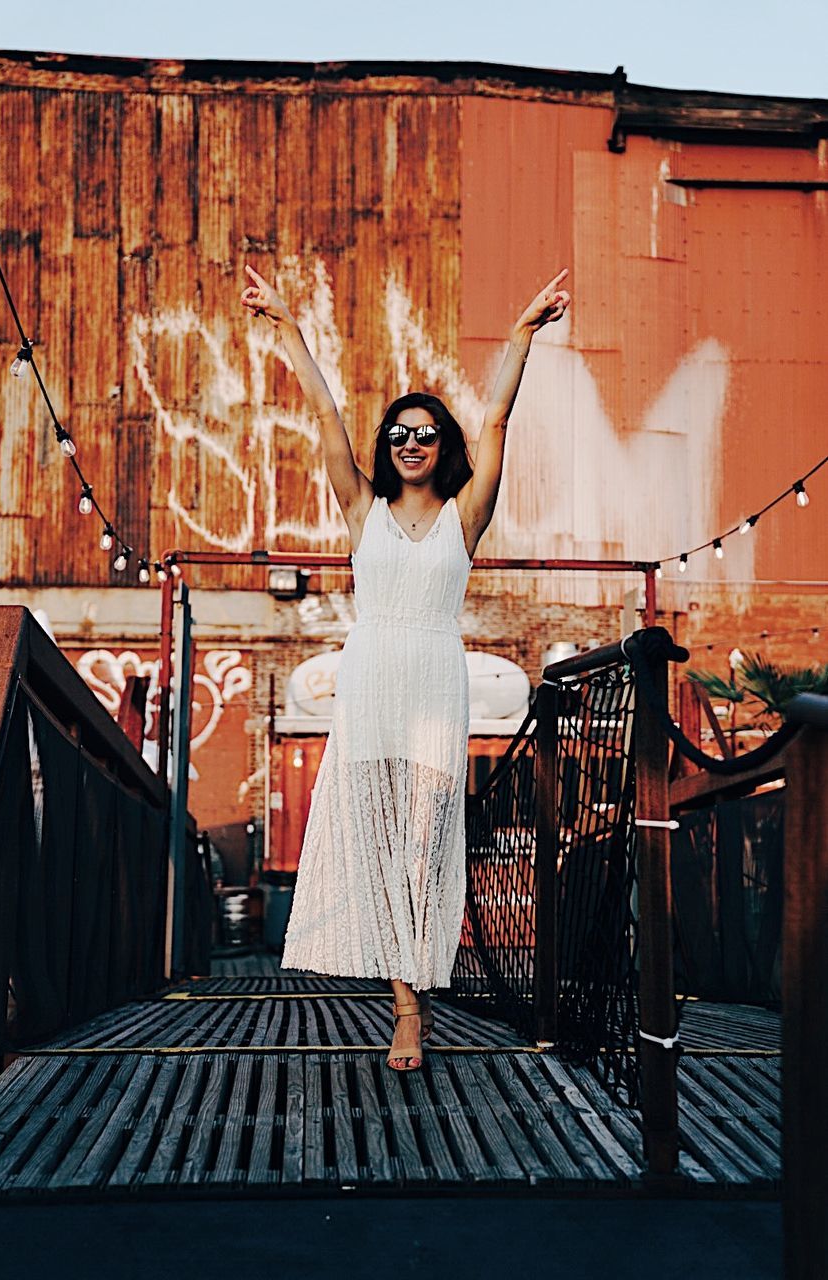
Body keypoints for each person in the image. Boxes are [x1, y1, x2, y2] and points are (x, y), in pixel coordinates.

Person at [240, 263, 570, 1070]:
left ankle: (418, 985)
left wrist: (520, 336)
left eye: (425, 433)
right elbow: (323, 413)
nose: (410, 443)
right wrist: (287, 328)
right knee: (378, 843)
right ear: (386, 448)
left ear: (442, 446)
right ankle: (405, 1006)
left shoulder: (466, 516)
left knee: (424, 842)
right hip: (370, 680)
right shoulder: (363, 510)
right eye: (398, 434)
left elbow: (495, 421)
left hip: (430, 679)